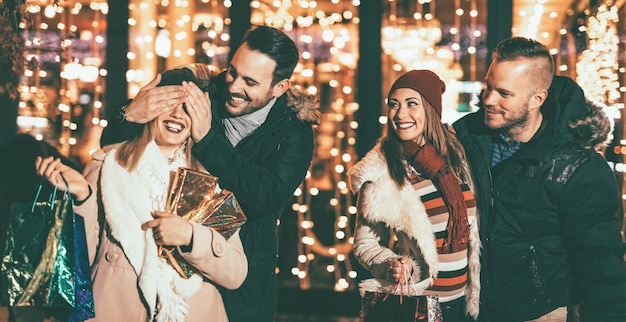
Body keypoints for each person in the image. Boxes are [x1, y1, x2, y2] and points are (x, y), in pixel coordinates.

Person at [99, 25, 319, 321]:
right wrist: (127, 115)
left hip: (243, 274)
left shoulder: (294, 132)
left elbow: (266, 197)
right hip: (168, 265)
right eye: (232, 72)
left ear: (279, 87)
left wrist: (208, 142)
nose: (233, 86)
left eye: (250, 82)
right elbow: (119, 152)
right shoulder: (201, 90)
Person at [35, 66, 248, 322]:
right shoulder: (107, 164)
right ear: (150, 108)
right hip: (116, 308)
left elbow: (235, 274)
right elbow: (75, 263)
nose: (177, 114)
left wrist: (190, 237)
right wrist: (82, 197)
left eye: (188, 108)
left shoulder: (207, 178)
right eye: (168, 103)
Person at [452, 36, 626, 321]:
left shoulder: (579, 167)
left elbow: (601, 263)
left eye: (503, 93)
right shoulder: (466, 141)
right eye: (488, 86)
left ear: (538, 98)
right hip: (470, 309)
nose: (488, 99)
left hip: (539, 312)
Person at [349, 70, 481, 321]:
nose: (400, 114)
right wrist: (390, 264)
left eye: (412, 104)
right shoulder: (380, 173)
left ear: (431, 110)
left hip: (464, 305)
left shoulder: (458, 156)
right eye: (394, 105)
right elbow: (364, 245)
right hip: (418, 306)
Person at [0, 133, 82, 322]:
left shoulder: (7, 160)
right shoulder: (48, 160)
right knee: (31, 309)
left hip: (12, 238)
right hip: (42, 239)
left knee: (21, 307)